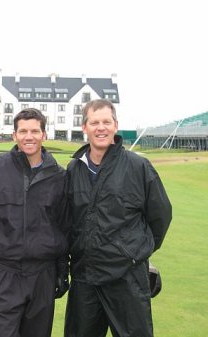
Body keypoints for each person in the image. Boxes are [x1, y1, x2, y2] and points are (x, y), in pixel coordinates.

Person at [64, 99, 172, 337]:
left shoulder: (138, 166)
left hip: (126, 277)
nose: (100, 128)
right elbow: (68, 220)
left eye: (106, 122)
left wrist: (133, 252)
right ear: (85, 127)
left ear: (115, 125)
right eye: (94, 122)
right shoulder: (75, 169)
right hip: (86, 275)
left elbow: (160, 215)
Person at [0, 108, 70, 337]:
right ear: (14, 135)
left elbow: (64, 227)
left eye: (35, 130)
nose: (29, 136)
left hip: (42, 274)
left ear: (44, 134)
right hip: (5, 273)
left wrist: (63, 271)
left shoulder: (59, 176)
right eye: (23, 131)